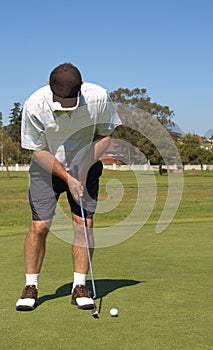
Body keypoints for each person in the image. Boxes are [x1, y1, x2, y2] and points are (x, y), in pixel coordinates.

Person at [16, 62, 121, 311]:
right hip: (46, 167)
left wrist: (82, 169)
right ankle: (31, 286)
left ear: (82, 87)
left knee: (83, 224)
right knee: (40, 225)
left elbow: (106, 134)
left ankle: (80, 286)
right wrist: (67, 176)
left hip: (85, 163)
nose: (66, 107)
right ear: (50, 88)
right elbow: (37, 149)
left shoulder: (98, 97)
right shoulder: (34, 105)